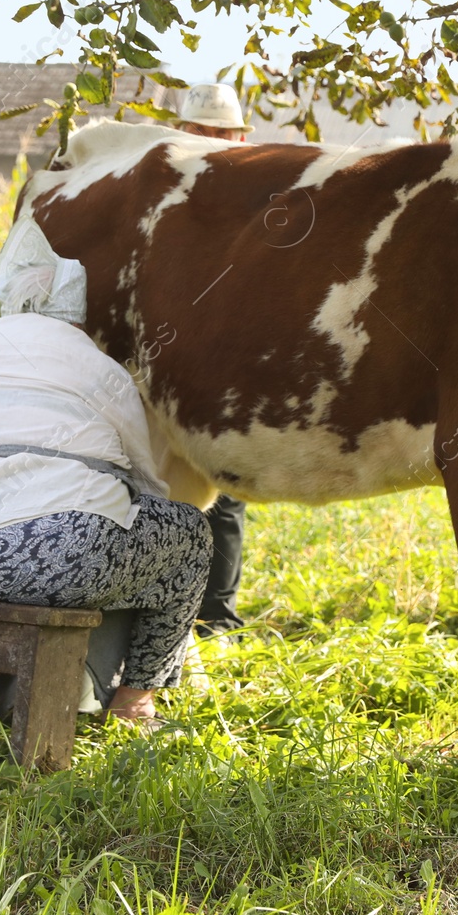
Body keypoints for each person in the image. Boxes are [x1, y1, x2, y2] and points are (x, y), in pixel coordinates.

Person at [0, 218, 213, 734]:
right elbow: (143, 479)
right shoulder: (99, 366)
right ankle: (135, 702)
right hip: (54, 554)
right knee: (189, 536)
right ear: (75, 315)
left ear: (11, 302)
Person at [173, 82, 253, 637]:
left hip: (230, 356)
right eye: (195, 134)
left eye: (216, 135)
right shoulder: (165, 197)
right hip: (170, 356)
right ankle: (164, 614)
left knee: (224, 493)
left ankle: (216, 618)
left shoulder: (261, 196)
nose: (205, 144)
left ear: (239, 138)